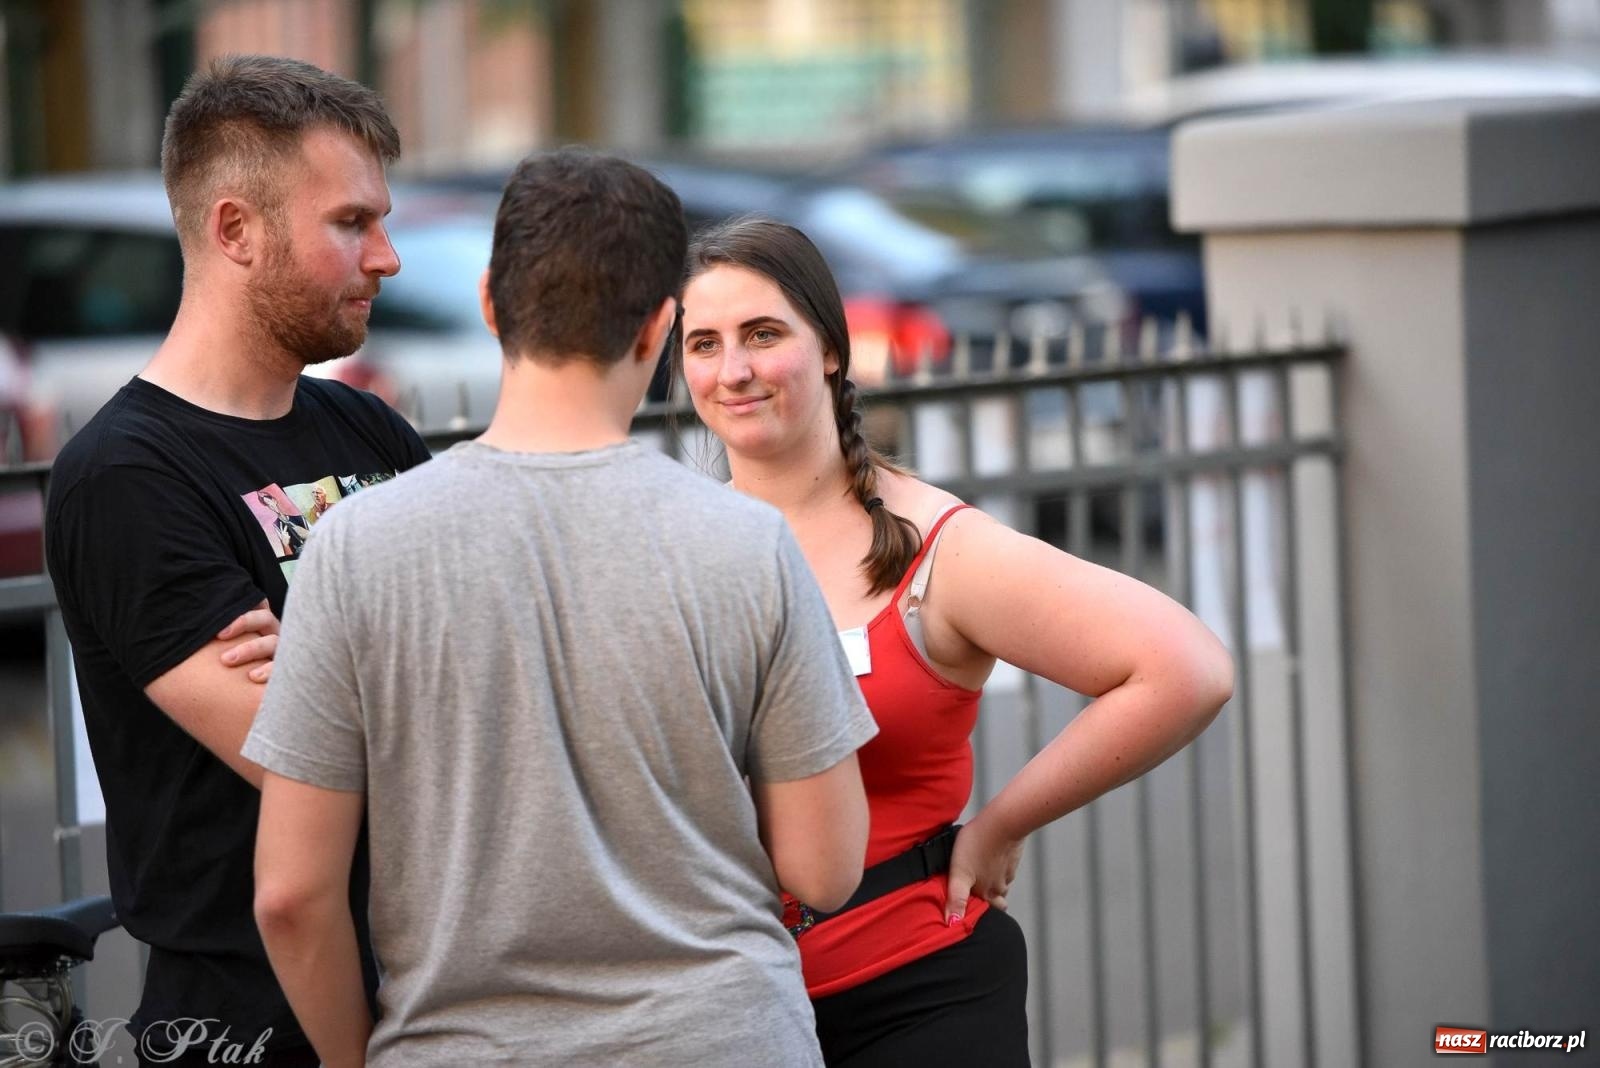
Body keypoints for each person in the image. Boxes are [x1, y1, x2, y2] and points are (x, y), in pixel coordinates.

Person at [244, 150, 878, 1068]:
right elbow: (825, 868)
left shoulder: (354, 549)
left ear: (492, 302)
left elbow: (290, 898)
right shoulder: (748, 544)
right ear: (660, 328)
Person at [677, 217, 1236, 1065]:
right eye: (704, 344)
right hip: (727, 1012)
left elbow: (1184, 669)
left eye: (763, 334)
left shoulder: (938, 547)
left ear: (831, 348)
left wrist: (1003, 822)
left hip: (918, 995)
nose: (735, 371)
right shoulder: (670, 547)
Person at [44, 55, 431, 1066]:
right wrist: (414, 674)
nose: (386, 257)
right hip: (252, 1024)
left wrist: (312, 663)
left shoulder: (367, 428)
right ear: (234, 231)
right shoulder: (124, 477)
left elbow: (498, 668)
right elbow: (309, 765)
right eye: (351, 223)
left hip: (438, 988)